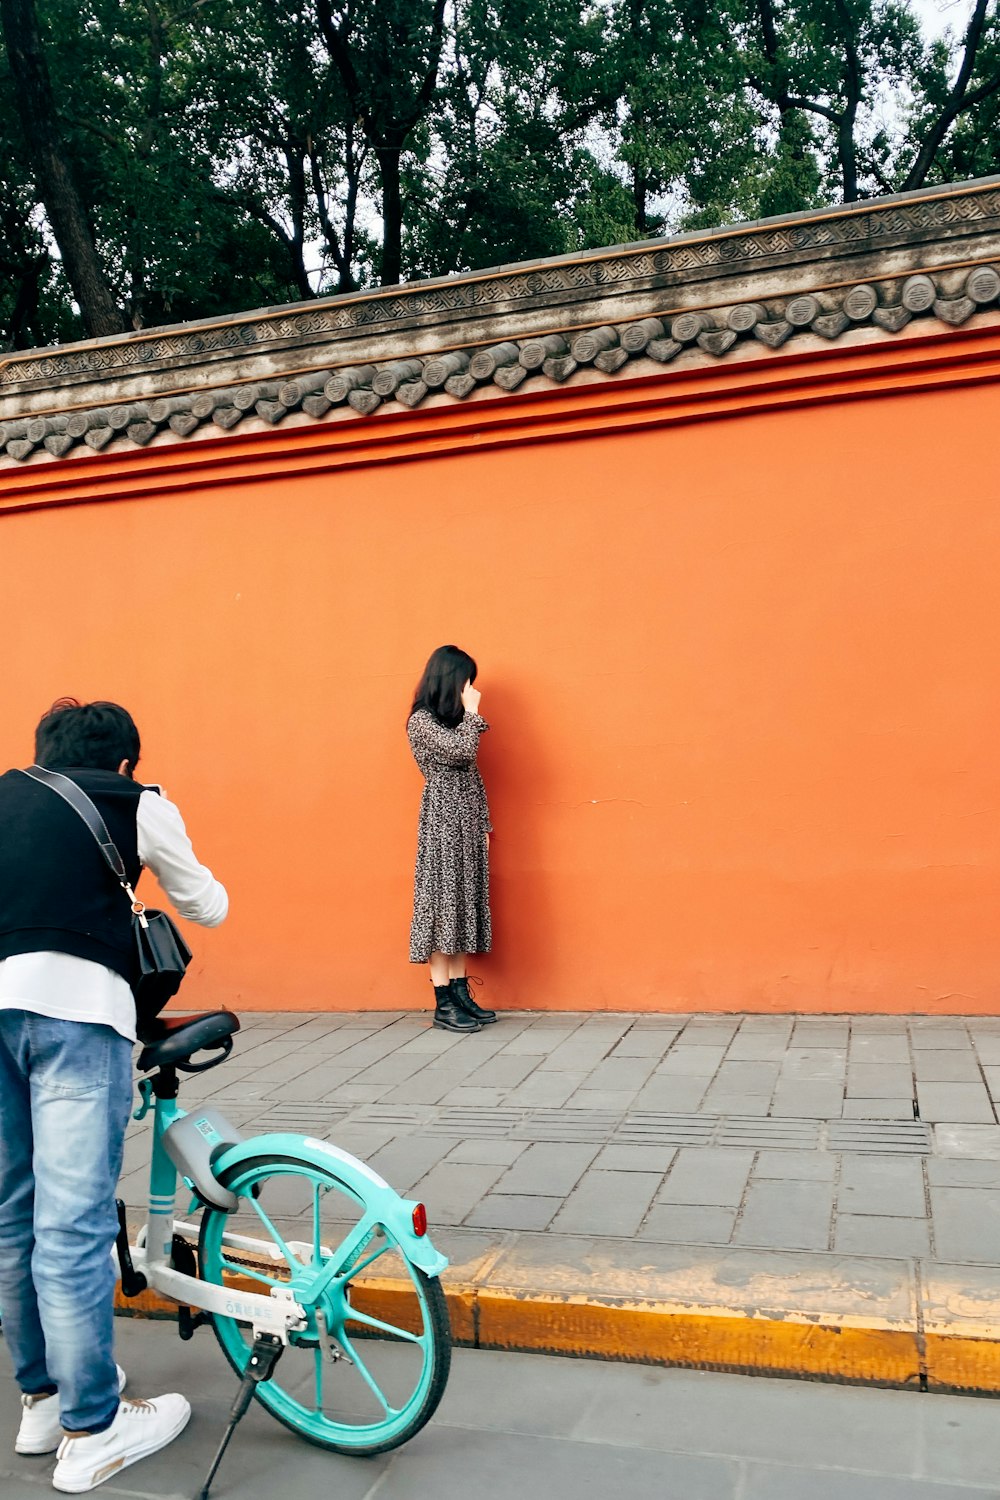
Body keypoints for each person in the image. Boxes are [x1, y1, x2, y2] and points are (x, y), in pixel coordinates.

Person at [0, 698, 228, 1493]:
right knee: (71, 1222)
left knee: (14, 1215)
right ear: (124, 760)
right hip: (77, 1009)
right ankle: (94, 1427)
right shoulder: (137, 801)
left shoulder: (2, 796)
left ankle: (43, 1399)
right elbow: (208, 905)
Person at [407, 645, 497, 1032]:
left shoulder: (452, 723)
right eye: (467, 681)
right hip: (443, 822)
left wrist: (485, 827)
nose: (470, 689)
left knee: (460, 907)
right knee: (442, 906)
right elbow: (463, 753)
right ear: (450, 679)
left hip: (466, 822)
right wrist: (474, 714)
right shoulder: (421, 722)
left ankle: (460, 993)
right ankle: (443, 1003)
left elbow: (473, 777)